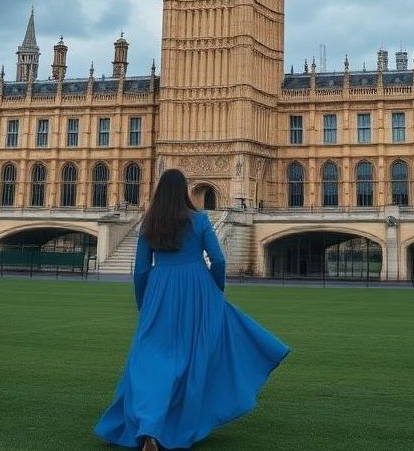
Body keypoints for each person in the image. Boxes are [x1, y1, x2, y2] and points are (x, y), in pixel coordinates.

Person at [95, 169, 290, 451]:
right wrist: (215, 290)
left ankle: (149, 425)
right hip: (197, 288)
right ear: (184, 191)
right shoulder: (199, 219)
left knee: (150, 357)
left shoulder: (150, 222)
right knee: (194, 355)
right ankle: (181, 419)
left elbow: (140, 271)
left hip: (160, 289)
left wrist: (144, 303)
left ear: (159, 191)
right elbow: (219, 260)